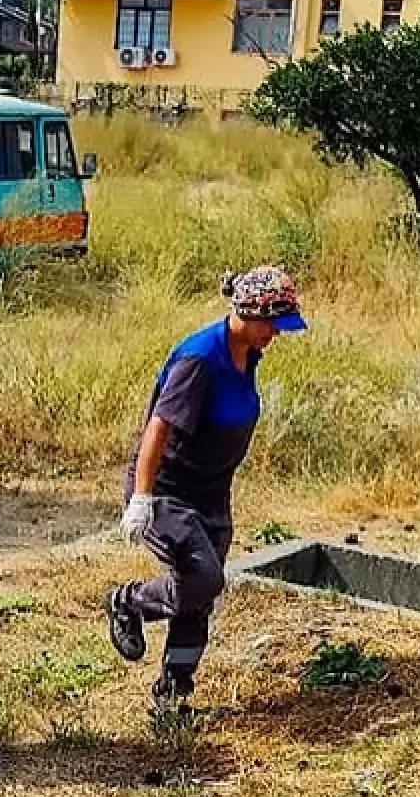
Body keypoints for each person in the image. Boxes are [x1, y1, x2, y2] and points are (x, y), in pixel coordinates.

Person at [106, 266, 307, 723]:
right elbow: (159, 429)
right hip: (169, 494)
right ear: (249, 313)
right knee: (202, 578)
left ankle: (172, 701)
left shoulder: (247, 353)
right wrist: (142, 498)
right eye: (272, 324)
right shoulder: (200, 360)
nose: (276, 335)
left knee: (198, 600)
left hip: (212, 495)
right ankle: (128, 601)